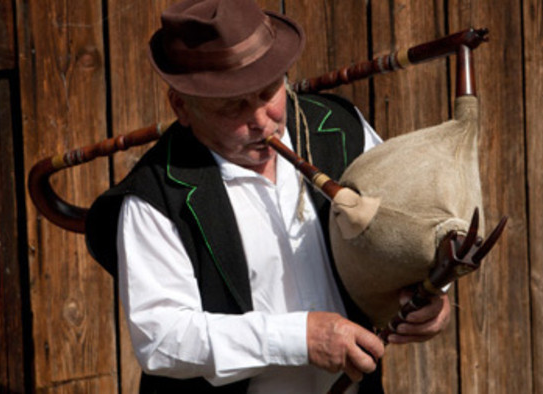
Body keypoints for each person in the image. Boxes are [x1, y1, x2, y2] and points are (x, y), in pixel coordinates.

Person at [85, 0, 451, 393]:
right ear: (182, 107)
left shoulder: (339, 130)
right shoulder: (156, 195)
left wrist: (430, 295)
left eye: (267, 93)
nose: (261, 121)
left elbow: (401, 228)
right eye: (233, 106)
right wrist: (297, 339)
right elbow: (161, 340)